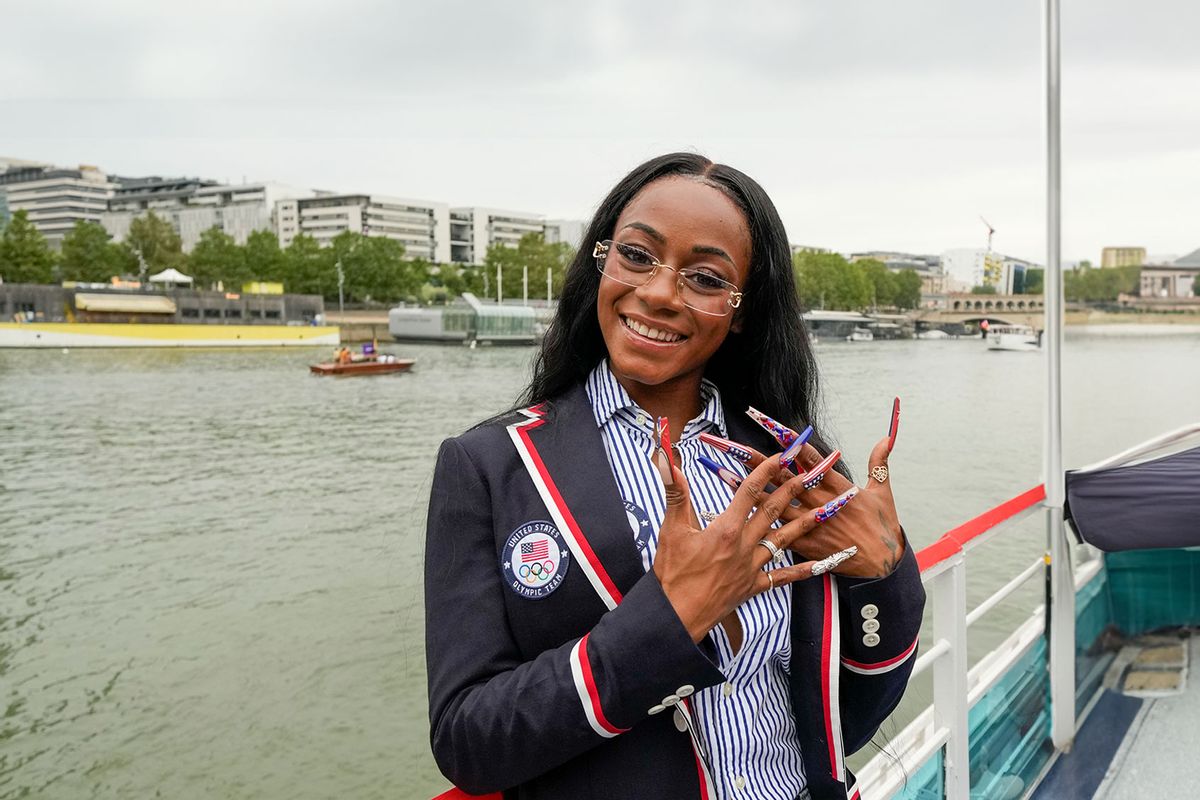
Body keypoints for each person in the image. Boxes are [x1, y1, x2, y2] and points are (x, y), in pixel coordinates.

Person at [425, 153, 925, 800]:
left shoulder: (789, 463)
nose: (660, 292)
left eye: (706, 278)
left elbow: (845, 720)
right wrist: (669, 621)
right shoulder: (491, 466)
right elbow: (467, 742)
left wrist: (883, 575)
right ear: (600, 263)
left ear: (741, 311)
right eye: (636, 255)